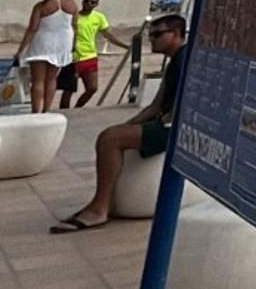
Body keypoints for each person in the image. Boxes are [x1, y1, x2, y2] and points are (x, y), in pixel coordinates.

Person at [50, 13, 188, 233]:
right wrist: (127, 125)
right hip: (167, 121)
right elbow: (155, 105)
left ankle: (100, 208)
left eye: (158, 34)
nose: (152, 38)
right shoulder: (175, 62)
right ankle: (104, 202)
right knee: (111, 135)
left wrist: (171, 116)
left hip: (176, 128)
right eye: (150, 34)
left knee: (110, 139)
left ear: (177, 34)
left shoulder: (185, 60)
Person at [59, 0, 133, 109]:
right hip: (73, 56)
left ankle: (77, 108)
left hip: (90, 56)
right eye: (87, 1)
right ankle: (65, 112)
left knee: (92, 88)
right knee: (68, 89)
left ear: (96, 4)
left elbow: (108, 35)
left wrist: (125, 46)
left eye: (92, 2)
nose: (89, 3)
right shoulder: (74, 16)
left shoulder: (99, 17)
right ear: (83, 1)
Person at [14, 0, 78, 114]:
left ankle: (35, 110)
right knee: (51, 78)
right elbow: (75, 26)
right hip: (63, 42)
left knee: (38, 80)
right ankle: (46, 109)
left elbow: (33, 28)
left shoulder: (41, 6)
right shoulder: (71, 4)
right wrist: (74, 45)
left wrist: (21, 50)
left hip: (43, 41)